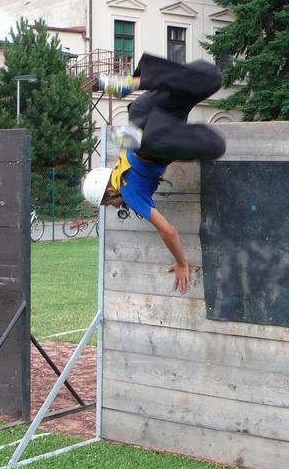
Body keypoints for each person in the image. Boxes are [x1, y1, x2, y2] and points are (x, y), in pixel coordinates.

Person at [82, 53, 226, 295]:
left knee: (215, 146)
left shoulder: (130, 192)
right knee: (211, 77)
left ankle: (144, 90)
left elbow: (168, 230)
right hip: (142, 112)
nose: (115, 207)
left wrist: (182, 263)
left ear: (110, 191)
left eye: (109, 204)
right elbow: (122, 137)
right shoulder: (120, 166)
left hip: (153, 138)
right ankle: (136, 81)